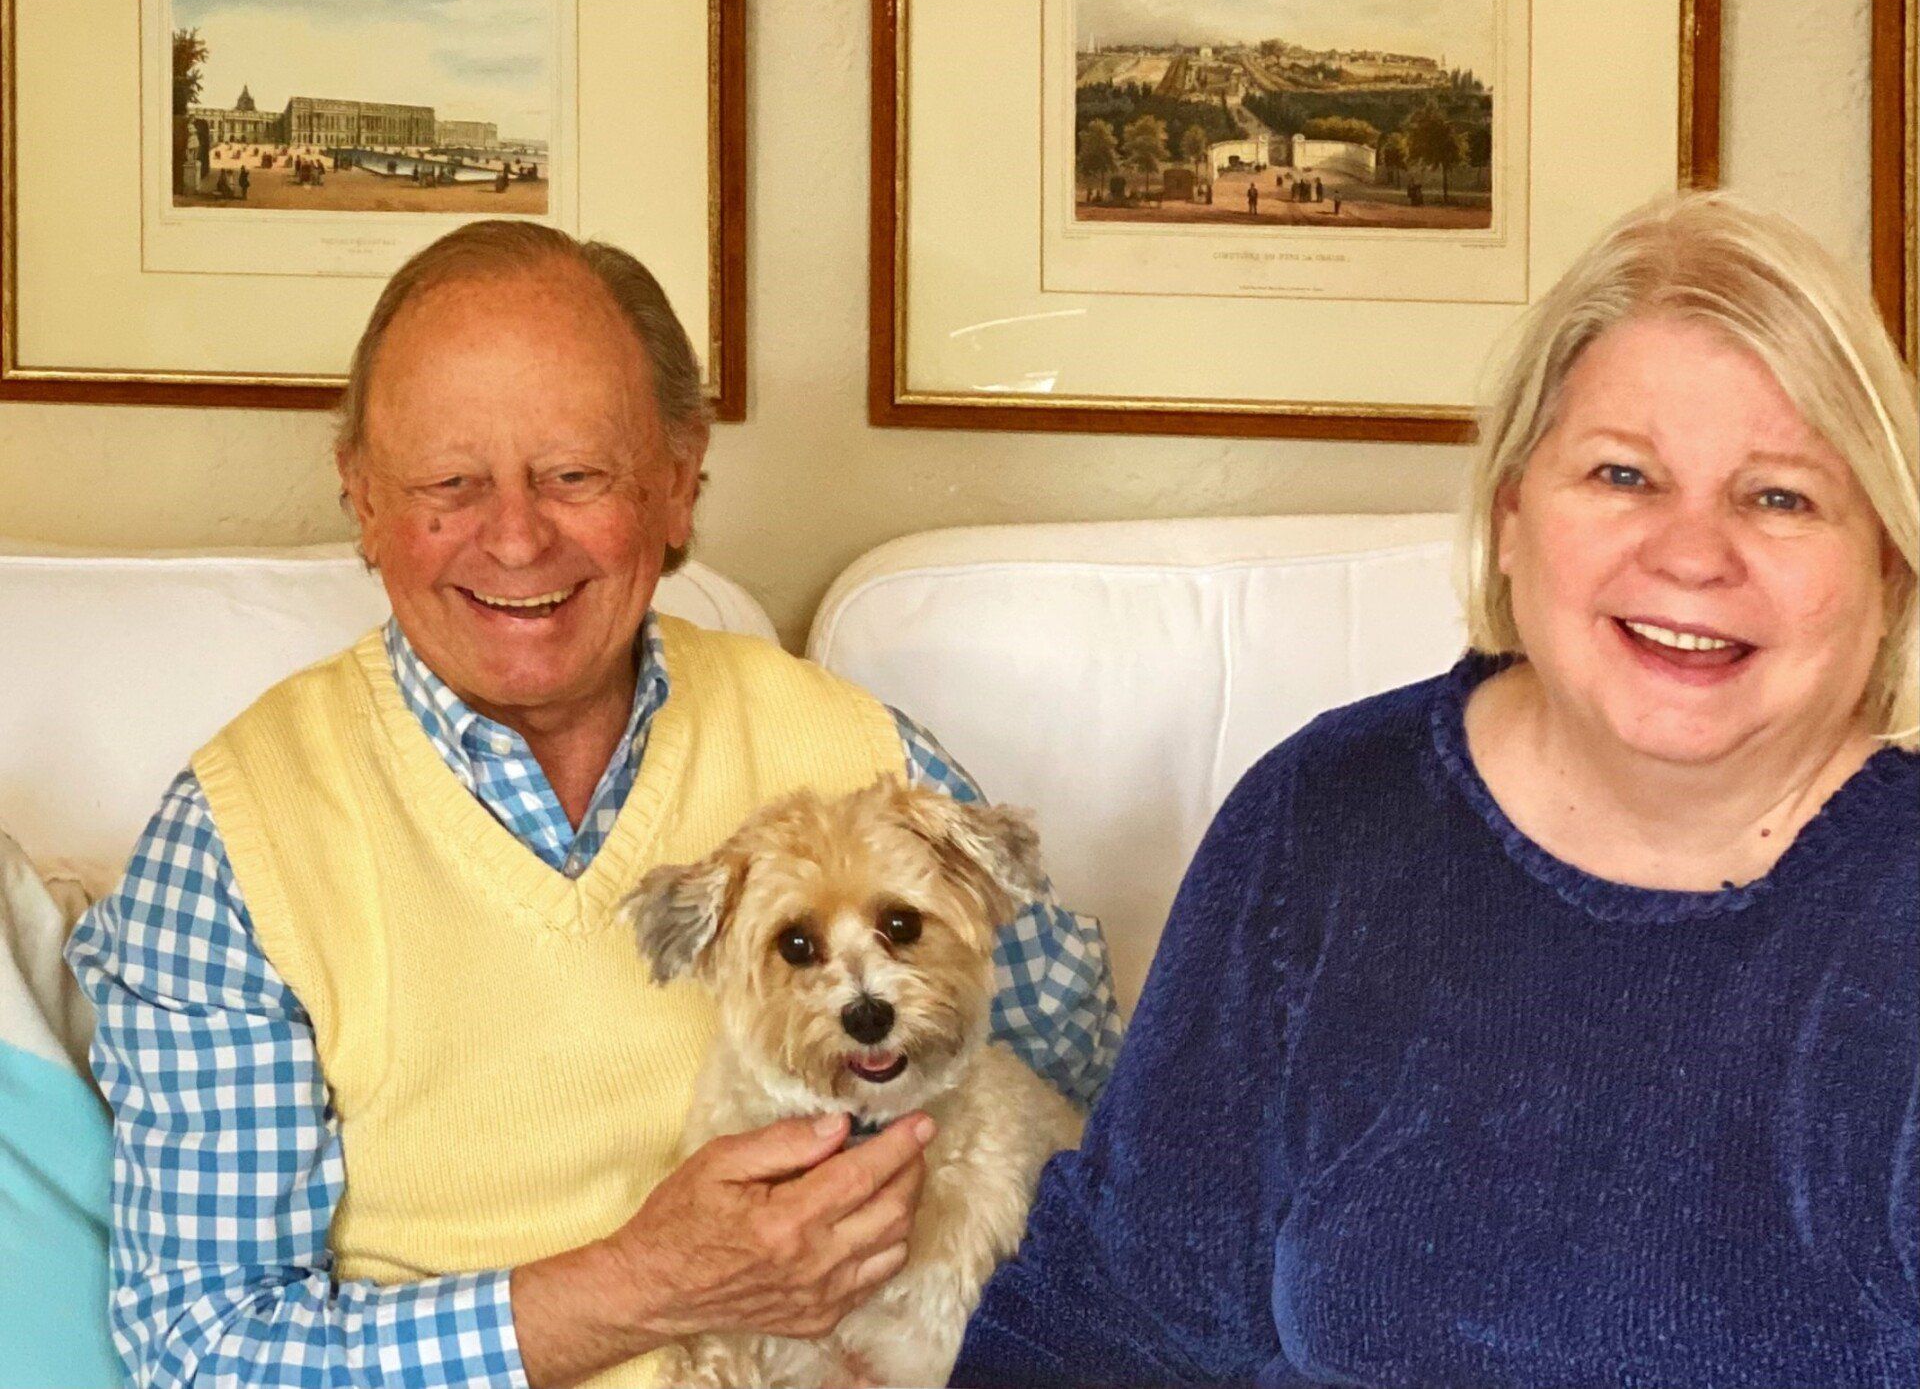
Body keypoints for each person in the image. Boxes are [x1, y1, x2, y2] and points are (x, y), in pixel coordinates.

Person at [66, 221, 1121, 1389]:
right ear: (360, 494)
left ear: (678, 481)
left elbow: (1117, 1122)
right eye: (449, 484)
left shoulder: (867, 758)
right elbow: (206, 1350)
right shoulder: (235, 844)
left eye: (575, 475)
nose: (517, 538)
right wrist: (639, 1287)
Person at [951, 189, 1919, 1388]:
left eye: (1780, 496)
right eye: (1623, 473)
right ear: (1512, 517)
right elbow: (1109, 1323)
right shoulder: (1326, 814)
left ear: (1888, 564)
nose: (1691, 553)